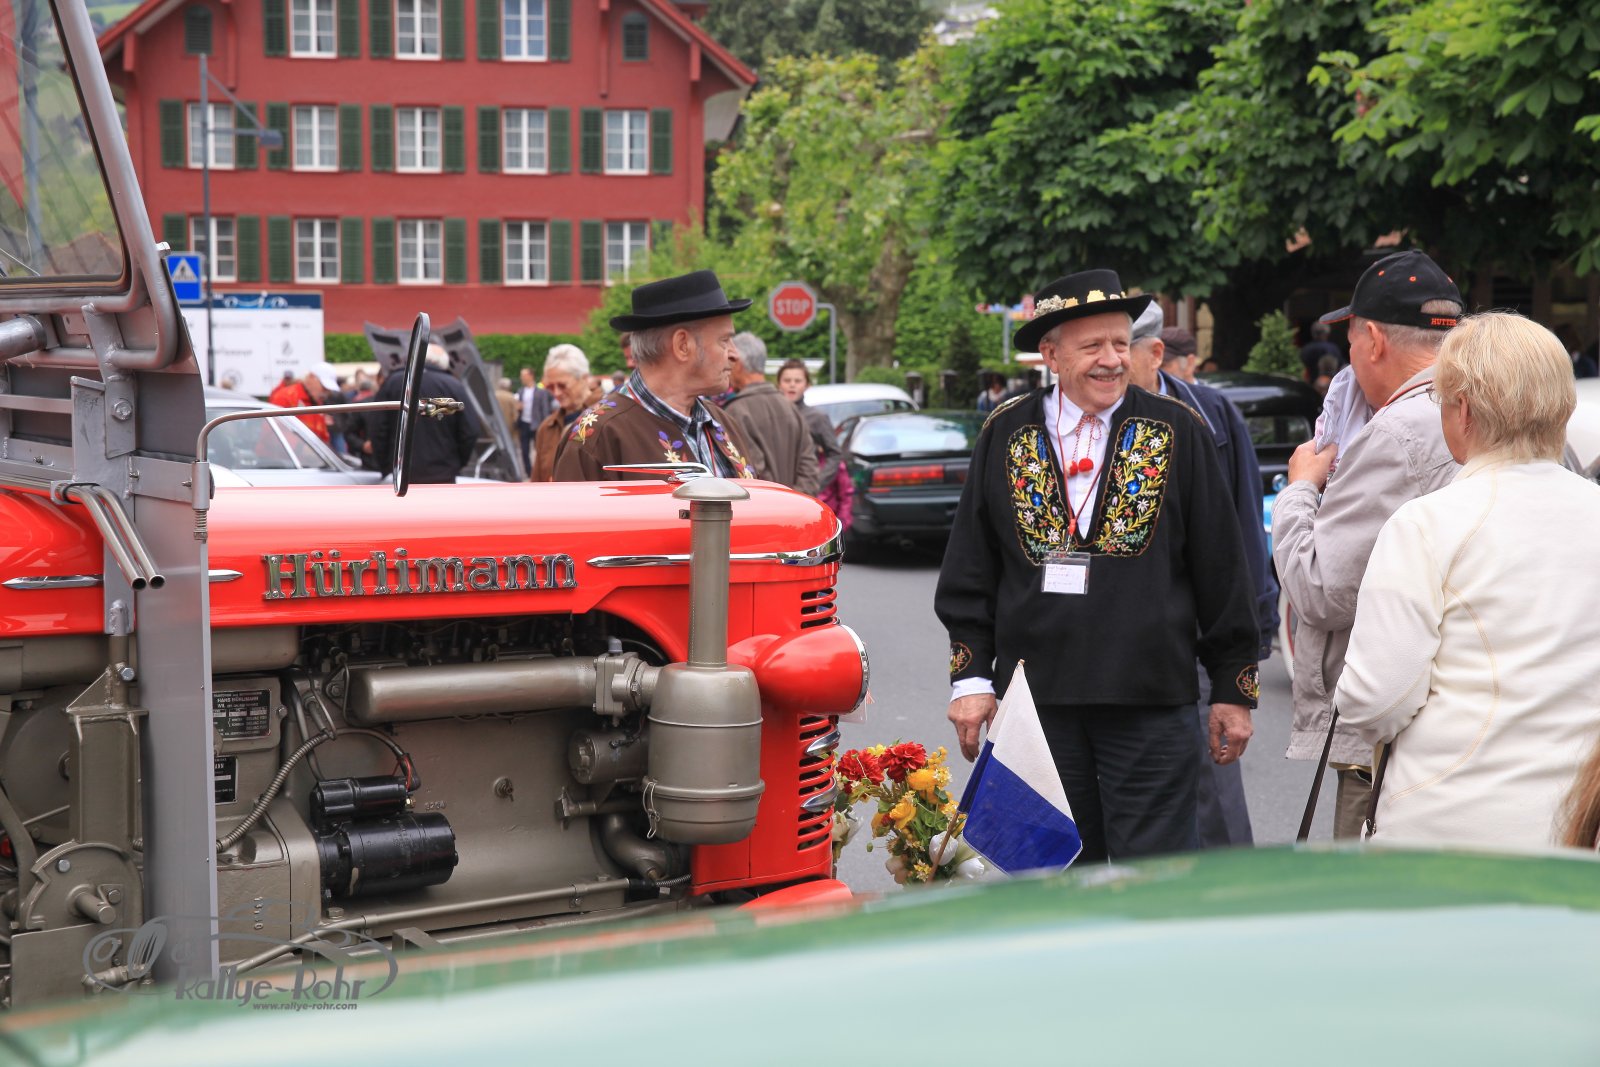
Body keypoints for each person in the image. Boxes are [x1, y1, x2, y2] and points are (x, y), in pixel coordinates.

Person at [936, 268, 1260, 864]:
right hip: (1037, 708)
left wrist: (1232, 687)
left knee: (1153, 879)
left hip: (1152, 701)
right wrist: (972, 680)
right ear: (1051, 355)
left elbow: (1222, 568)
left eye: (1120, 343)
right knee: (1051, 875)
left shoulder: (1177, 430)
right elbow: (970, 570)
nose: (1112, 360)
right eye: (1092, 346)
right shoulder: (1006, 433)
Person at [1333, 312, 1600, 847]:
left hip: (1451, 822)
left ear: (1464, 410)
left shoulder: (1426, 525)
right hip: (1581, 824)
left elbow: (1374, 699)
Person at [1272, 249, 1464, 837]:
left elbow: (1321, 590)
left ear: (1374, 340)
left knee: (1370, 887)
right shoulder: (1495, 409)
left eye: (1351, 339)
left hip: (1394, 739)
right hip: (1479, 723)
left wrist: (1300, 489)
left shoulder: (1397, 433)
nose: (1349, 357)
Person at [1128, 305, 1276, 848]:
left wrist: (1250, 637)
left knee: (1213, 787)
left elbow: (1243, 525)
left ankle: (1228, 893)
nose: (1110, 363)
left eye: (1121, 349)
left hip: (1194, 632)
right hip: (1106, 646)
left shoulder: (1207, 413)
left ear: (1154, 354)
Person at [552, 270, 760, 482]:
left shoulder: (722, 422)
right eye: (724, 340)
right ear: (683, 345)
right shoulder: (596, 436)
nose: (735, 354)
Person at [722, 334, 820, 493]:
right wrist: (793, 500)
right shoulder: (790, 407)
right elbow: (809, 469)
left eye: (729, 360)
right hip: (796, 505)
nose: (726, 367)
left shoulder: (736, 411)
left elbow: (750, 473)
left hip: (762, 506)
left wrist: (779, 501)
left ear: (738, 363)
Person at [368, 344, 479, 484]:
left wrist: (385, 464)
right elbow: (470, 430)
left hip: (400, 473)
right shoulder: (453, 385)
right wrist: (456, 463)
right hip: (443, 473)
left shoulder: (392, 382)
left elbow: (377, 428)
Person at [777, 358, 853, 531]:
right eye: (787, 380)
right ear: (779, 384)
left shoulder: (817, 418)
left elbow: (835, 454)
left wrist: (816, 482)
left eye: (798, 381)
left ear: (807, 385)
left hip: (806, 495)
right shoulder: (771, 416)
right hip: (777, 493)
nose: (792, 385)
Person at [530, 345, 604, 482]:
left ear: (584, 378)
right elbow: (537, 482)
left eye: (562, 385)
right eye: (550, 387)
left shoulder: (607, 418)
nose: (556, 393)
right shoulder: (547, 427)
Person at [268, 362, 341, 444]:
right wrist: (302, 447)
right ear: (311, 377)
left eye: (328, 390)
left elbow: (323, 437)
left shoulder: (316, 403)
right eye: (324, 388)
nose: (327, 393)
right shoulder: (286, 397)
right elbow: (271, 435)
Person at [516, 367, 555, 478]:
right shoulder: (521, 391)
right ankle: (529, 473)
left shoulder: (540, 391)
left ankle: (539, 471)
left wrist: (546, 424)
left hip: (537, 424)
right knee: (524, 450)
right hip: (524, 423)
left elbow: (545, 408)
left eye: (523, 375)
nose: (521, 378)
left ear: (530, 376)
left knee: (539, 449)